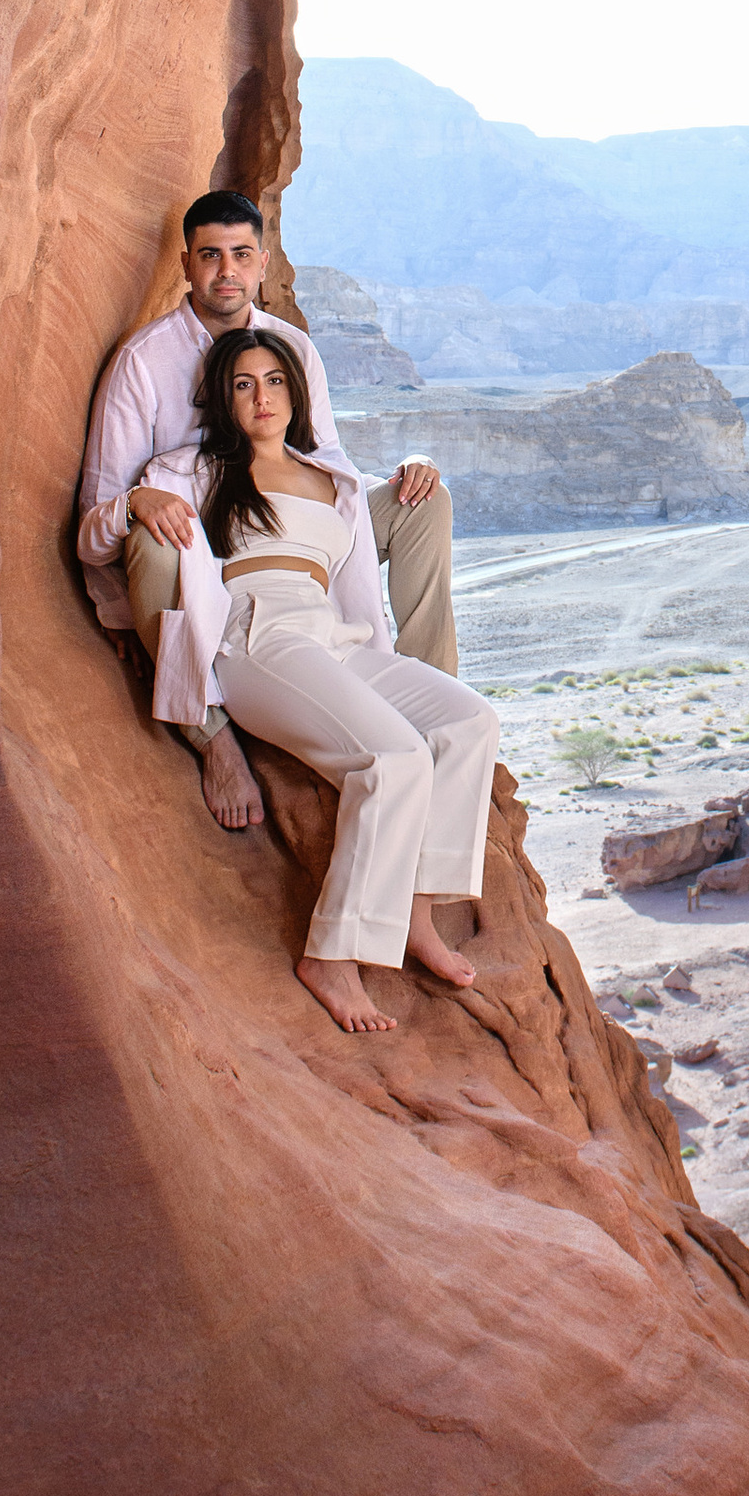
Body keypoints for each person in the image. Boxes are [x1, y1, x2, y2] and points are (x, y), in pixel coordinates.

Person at [153, 324, 501, 1035]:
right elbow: (104, 531)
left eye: (275, 382)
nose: (262, 398)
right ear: (223, 398)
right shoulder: (193, 470)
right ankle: (332, 956)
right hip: (258, 640)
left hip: (332, 640)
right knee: (395, 758)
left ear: (297, 392)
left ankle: (413, 910)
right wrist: (133, 505)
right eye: (243, 384)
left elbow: (361, 585)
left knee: (470, 723)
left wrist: (417, 465)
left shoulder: (332, 481)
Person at [77, 190, 453, 836]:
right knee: (161, 533)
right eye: (210, 256)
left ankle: (425, 695)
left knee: (424, 502)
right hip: (207, 539)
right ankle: (212, 735)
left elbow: (319, 462)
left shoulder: (292, 349)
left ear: (262, 263)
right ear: (187, 265)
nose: (226, 271)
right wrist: (123, 601)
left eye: (241, 255)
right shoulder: (145, 361)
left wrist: (406, 467)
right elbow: (102, 509)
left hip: (290, 524)